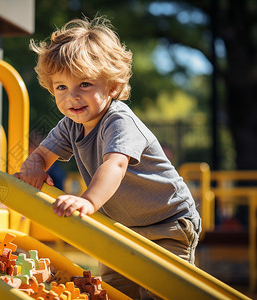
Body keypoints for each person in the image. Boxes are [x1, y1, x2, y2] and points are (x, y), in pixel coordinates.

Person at [13, 17, 201, 299]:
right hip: (121, 229)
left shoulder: (119, 121)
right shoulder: (71, 125)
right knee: (112, 292)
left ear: (112, 87)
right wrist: (33, 168)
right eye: (61, 87)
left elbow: (115, 164)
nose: (72, 97)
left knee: (162, 291)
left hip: (167, 225)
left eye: (85, 84)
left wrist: (87, 200)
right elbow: (40, 153)